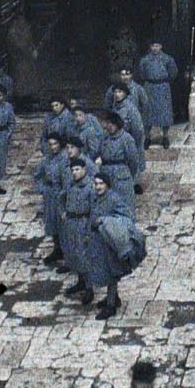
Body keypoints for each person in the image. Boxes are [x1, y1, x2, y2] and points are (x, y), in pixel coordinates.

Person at [85, 169, 144, 320]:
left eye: (101, 184)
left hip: (109, 242)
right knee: (103, 270)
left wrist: (107, 222)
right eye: (96, 183)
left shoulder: (114, 199)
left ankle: (110, 305)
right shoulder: (94, 197)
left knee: (111, 272)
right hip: (97, 241)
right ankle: (114, 297)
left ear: (108, 185)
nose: (98, 187)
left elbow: (127, 216)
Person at [59, 156, 96, 299]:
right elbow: (61, 197)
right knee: (73, 253)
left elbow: (94, 209)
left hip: (83, 222)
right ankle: (80, 282)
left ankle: (89, 288)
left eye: (77, 169)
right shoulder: (70, 184)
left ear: (84, 170)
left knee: (84, 255)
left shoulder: (90, 187)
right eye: (72, 170)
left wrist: (89, 229)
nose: (74, 172)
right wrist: (63, 212)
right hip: (71, 222)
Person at [34, 130, 68, 264]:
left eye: (55, 144)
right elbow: (37, 175)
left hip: (60, 194)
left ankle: (67, 253)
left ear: (60, 144)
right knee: (52, 222)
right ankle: (57, 249)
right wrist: (42, 189)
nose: (53, 147)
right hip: (49, 195)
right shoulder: (46, 159)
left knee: (63, 224)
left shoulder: (65, 159)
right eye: (50, 144)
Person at [136, 41, 178, 148]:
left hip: (163, 87)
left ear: (161, 46)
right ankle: (148, 137)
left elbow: (173, 72)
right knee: (148, 113)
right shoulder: (145, 60)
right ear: (150, 47)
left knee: (164, 113)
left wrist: (164, 80)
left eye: (157, 46)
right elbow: (141, 73)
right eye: (153, 46)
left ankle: (165, 136)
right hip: (149, 87)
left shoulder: (167, 59)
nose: (155, 48)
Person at [2, 9, 39, 107]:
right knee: (20, 80)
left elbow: (30, 41)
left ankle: (28, 97)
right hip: (18, 60)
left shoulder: (25, 28)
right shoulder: (13, 31)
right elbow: (18, 45)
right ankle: (20, 99)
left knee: (28, 79)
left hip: (26, 60)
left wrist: (33, 49)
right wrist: (29, 52)